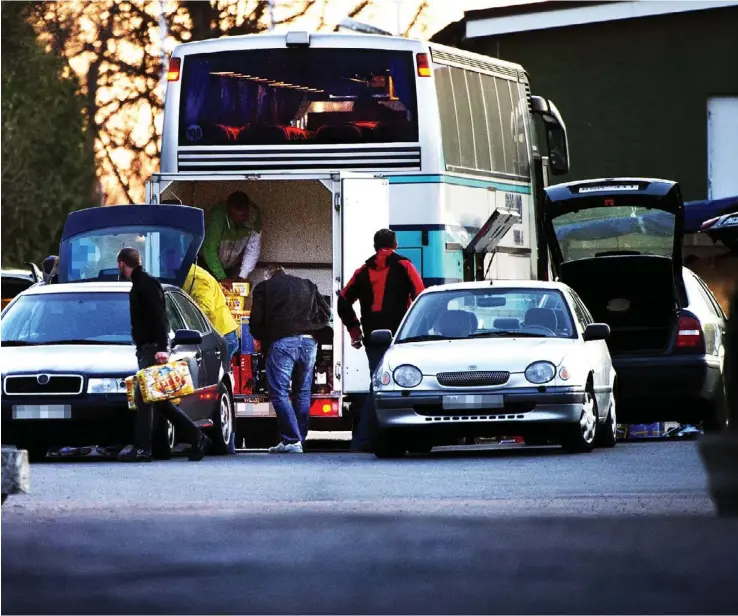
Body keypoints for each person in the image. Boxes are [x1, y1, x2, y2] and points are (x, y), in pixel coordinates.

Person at [116, 247, 211, 462]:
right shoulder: (141, 284)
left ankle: (143, 448)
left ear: (122, 263)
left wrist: (162, 348)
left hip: (151, 348)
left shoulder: (146, 284)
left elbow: (160, 318)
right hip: (147, 348)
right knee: (157, 400)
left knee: (146, 399)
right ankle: (194, 437)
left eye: (118, 264)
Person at [337, 229, 425, 452]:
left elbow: (343, 300)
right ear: (395, 244)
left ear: (375, 245)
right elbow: (420, 297)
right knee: (403, 386)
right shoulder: (404, 265)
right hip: (400, 338)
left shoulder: (364, 270)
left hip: (373, 337)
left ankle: (366, 438)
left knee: (377, 385)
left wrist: (355, 332)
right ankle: (398, 438)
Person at [250, 265, 331, 454]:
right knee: (302, 392)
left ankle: (292, 440)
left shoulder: (264, 287)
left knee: (279, 392)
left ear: (267, 275)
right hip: (309, 342)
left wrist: (259, 337)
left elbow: (256, 319)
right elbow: (326, 311)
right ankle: (298, 440)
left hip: (283, 341)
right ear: (284, 272)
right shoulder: (308, 285)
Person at [162, 248, 241, 362]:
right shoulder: (185, 275)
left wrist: (190, 328)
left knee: (214, 376)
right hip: (217, 334)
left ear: (178, 261)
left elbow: (206, 309)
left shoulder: (197, 278)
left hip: (221, 335)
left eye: (166, 265)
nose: (165, 269)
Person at [202, 191, 262, 290]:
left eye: (242, 215)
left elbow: (253, 247)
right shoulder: (217, 216)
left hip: (230, 264)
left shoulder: (254, 216)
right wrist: (222, 277)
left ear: (248, 210)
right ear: (228, 211)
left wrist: (242, 276)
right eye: (234, 216)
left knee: (229, 293)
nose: (239, 219)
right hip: (208, 262)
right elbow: (209, 249)